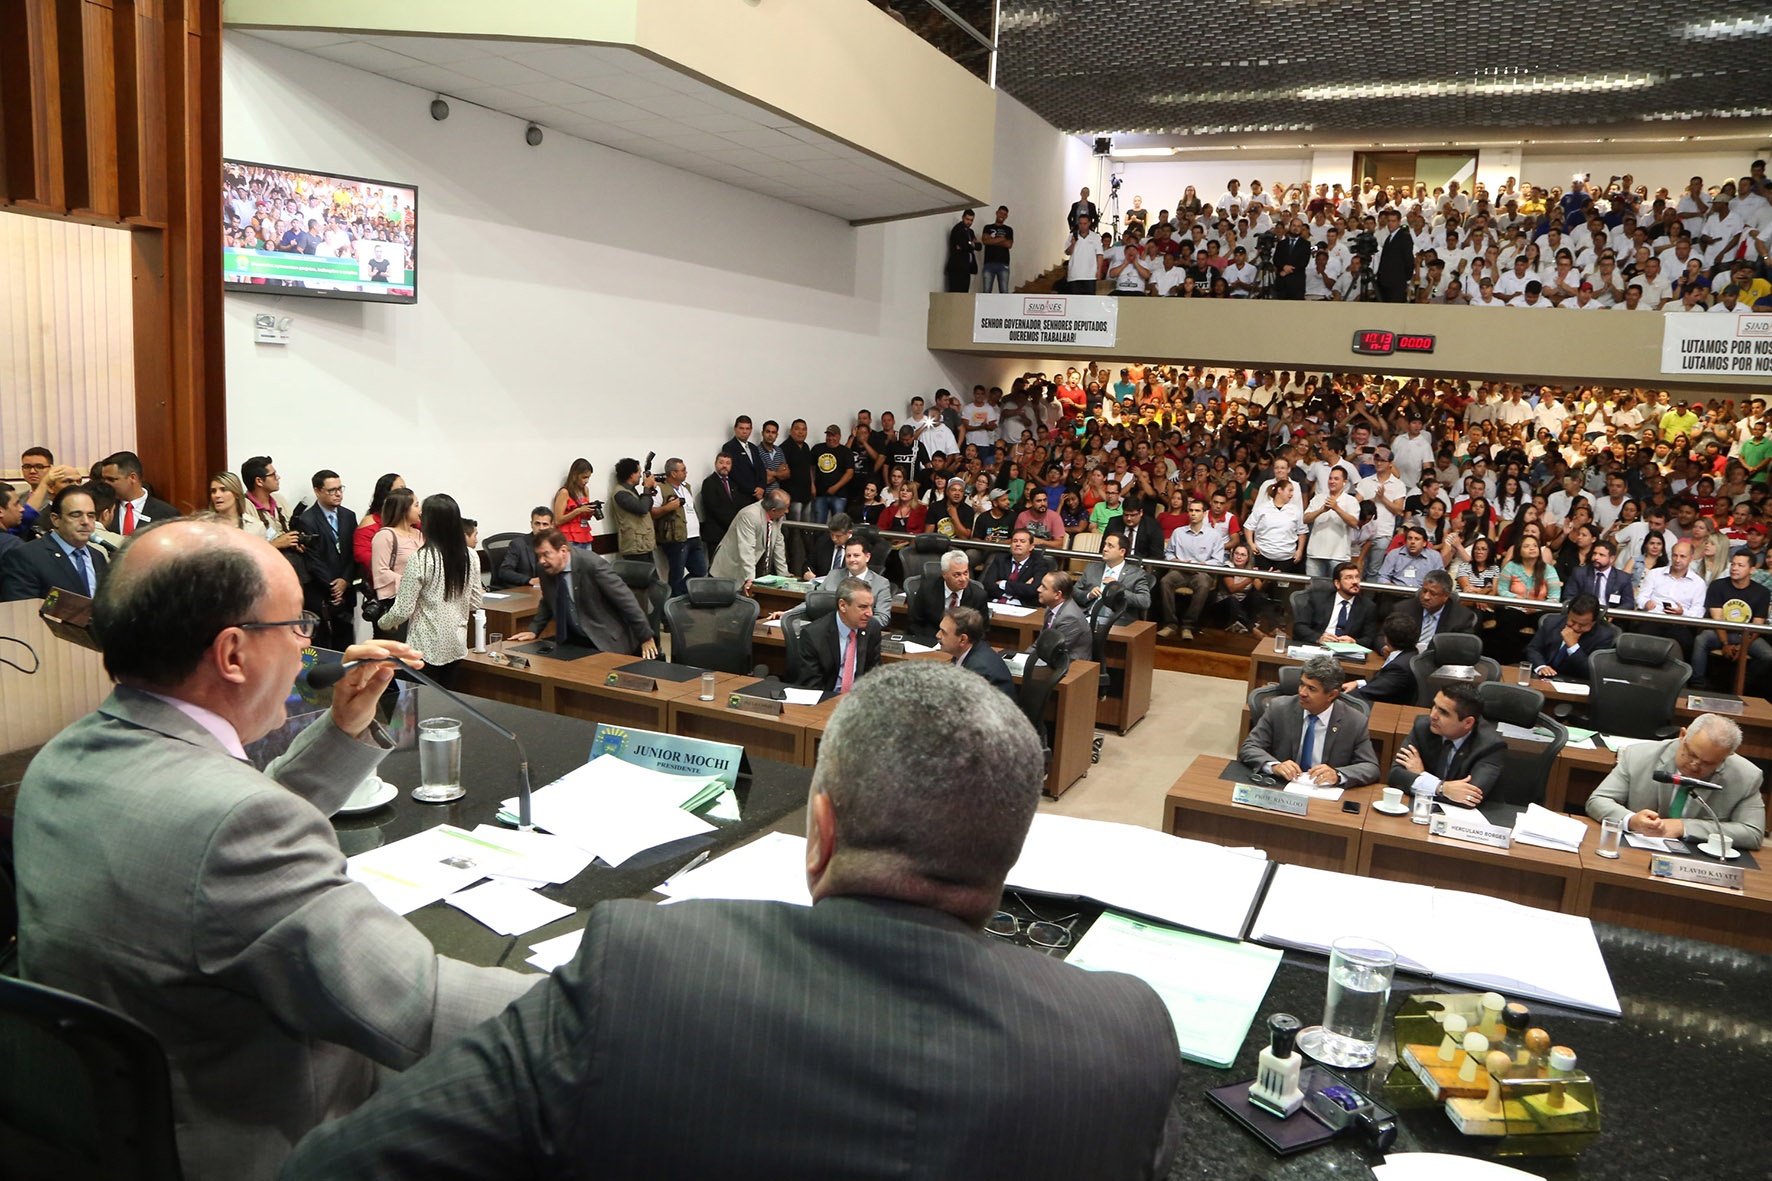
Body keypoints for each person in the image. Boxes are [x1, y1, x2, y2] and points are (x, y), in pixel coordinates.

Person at [281, 659, 1182, 1180]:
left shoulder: (643, 969)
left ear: (820, 830)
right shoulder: (1123, 1038)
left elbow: (349, 1164)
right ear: (1009, 853)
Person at [14, 519, 533, 1179]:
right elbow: (417, 1004)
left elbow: (216, 832)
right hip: (281, 1145)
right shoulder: (234, 823)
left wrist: (342, 727)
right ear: (232, 653)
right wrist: (613, 1002)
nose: (307, 646)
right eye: (297, 625)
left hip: (119, 1129)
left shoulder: (63, 758)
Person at [1586, 714, 1765, 850]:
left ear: (1727, 756)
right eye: (1691, 754)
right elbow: (1598, 800)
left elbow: (1753, 833)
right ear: (1682, 735)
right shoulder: (1639, 755)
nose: (1695, 766)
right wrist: (1631, 820)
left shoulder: (1747, 776)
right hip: (1637, 850)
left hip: (1697, 860)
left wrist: (1683, 827)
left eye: (1708, 763)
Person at [377, 493, 482, 685]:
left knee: (422, 700)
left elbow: (403, 609)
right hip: (456, 644)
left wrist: (383, 623)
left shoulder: (421, 558)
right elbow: (475, 602)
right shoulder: (471, 556)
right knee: (447, 697)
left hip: (425, 648)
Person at [509, 528, 659, 658]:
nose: (541, 561)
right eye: (539, 555)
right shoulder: (545, 569)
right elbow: (548, 600)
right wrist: (534, 630)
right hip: (572, 641)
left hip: (604, 640)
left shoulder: (592, 564)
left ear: (563, 551)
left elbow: (626, 601)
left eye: (546, 554)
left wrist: (645, 637)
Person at [1239, 654, 1379, 785]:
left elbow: (1370, 767)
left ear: (1331, 695)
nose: (1302, 692)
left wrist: (1337, 775)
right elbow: (1249, 747)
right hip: (1282, 786)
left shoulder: (1354, 721)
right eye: (1302, 684)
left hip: (1324, 791)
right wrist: (1275, 766)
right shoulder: (1279, 708)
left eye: (1311, 689)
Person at [1389, 683, 1508, 808]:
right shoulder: (1423, 727)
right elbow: (1395, 776)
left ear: (1468, 722)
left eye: (1443, 712)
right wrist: (1442, 788)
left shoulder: (1490, 746)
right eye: (1434, 706)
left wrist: (1424, 778)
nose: (1433, 716)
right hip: (1423, 809)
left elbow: (1469, 798)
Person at [0, 485, 107, 601]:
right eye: (76, 515)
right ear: (56, 519)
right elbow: (21, 607)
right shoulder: (26, 556)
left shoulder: (97, 557)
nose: (86, 522)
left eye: (91, 516)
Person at [292, 470, 359, 652]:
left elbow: (353, 552)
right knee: (322, 648)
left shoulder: (349, 516)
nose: (338, 494)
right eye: (331, 490)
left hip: (346, 591)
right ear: (317, 491)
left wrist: (345, 581)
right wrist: (333, 587)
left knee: (346, 646)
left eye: (340, 489)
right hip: (321, 592)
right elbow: (312, 559)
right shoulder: (307, 520)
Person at [1693, 551, 1772, 688]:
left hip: (1746, 635)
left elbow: (1757, 626)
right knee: (1701, 640)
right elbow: (1717, 620)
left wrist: (1743, 647)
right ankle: (1696, 683)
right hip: (1720, 632)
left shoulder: (1762, 592)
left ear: (1752, 570)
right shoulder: (1717, 585)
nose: (1734, 568)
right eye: (1733, 564)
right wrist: (1725, 643)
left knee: (1768, 655)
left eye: (1740, 565)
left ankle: (1743, 683)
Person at [797, 575, 882, 699]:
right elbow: (812, 687)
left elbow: (874, 674)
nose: (870, 613)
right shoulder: (814, 635)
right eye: (863, 607)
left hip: (859, 701)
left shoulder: (872, 627)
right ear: (842, 606)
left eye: (871, 606)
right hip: (825, 701)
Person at [1158, 497, 1222, 640]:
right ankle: (1170, 624)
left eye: (1197, 511)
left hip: (1201, 572)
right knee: (1165, 581)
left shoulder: (1214, 535)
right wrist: (1178, 562)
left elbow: (1218, 560)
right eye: (1191, 510)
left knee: (1203, 584)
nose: (1193, 514)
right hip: (1180, 570)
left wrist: (1202, 565)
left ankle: (1188, 625)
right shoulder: (1178, 532)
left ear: (1204, 514)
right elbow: (1168, 553)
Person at [1638, 538, 1709, 658]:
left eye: (1682, 556)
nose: (1677, 560)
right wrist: (1646, 602)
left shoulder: (1698, 583)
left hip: (1680, 623)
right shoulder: (1654, 574)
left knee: (1684, 643)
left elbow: (1698, 612)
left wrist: (1682, 613)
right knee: (1641, 638)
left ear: (1691, 558)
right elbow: (1641, 596)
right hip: (1654, 618)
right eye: (1675, 555)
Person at [368, 488, 422, 641]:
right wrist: (411, 583)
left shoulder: (420, 534)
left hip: (420, 605)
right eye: (416, 505)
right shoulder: (385, 535)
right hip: (396, 603)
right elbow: (380, 571)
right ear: (403, 509)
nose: (420, 510)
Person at [709, 489, 791, 588]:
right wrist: (750, 578)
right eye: (786, 508)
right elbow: (747, 549)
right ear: (773, 510)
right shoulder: (749, 515)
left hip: (753, 567)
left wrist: (783, 575)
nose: (787, 511)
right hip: (730, 569)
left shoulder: (777, 515)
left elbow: (778, 544)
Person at [1525, 593, 1616, 682]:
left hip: (1574, 682)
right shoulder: (1551, 622)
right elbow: (1533, 648)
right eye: (1572, 621)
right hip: (1542, 678)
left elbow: (1592, 672)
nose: (1576, 627)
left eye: (1582, 625)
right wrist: (1541, 666)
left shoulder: (1604, 636)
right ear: (1568, 615)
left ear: (1593, 622)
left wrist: (1573, 646)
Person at [1292, 562, 1380, 648]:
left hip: (1347, 650)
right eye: (1349, 578)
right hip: (1319, 646)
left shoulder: (1367, 606)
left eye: (1357, 577)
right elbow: (1300, 626)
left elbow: (1369, 638)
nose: (1355, 581)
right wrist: (1319, 638)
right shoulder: (1318, 599)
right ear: (1337, 583)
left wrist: (1354, 642)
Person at [908, 548, 990, 640]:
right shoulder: (927, 590)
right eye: (957, 575)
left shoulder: (978, 596)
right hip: (930, 641)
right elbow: (914, 624)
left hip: (961, 644)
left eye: (966, 573)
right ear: (944, 574)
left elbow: (982, 632)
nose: (963, 579)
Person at [1385, 570, 1477, 650]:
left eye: (1433, 593)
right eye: (1424, 591)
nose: (1426, 597)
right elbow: (1383, 636)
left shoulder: (1462, 617)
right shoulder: (1403, 609)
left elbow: (1464, 648)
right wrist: (1385, 648)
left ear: (1446, 596)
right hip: (1405, 658)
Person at [816, 536, 893, 630]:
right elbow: (813, 602)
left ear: (867, 557)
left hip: (861, 632)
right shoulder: (833, 575)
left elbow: (882, 618)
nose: (852, 559)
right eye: (848, 556)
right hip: (827, 629)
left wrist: (850, 624)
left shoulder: (881, 583)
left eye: (856, 555)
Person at [1073, 533, 1151, 625]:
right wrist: (1089, 595)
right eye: (1105, 545)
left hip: (1118, 622)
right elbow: (1074, 592)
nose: (1105, 549)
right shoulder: (1092, 568)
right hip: (1088, 618)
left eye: (1110, 546)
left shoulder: (1136, 574)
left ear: (1122, 552)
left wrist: (1119, 590)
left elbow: (1144, 601)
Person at [657, 458, 708, 598]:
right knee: (676, 574)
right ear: (673, 473)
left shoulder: (686, 487)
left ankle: (676, 595)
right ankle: (671, 603)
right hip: (677, 538)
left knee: (700, 571)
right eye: (683, 470)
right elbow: (653, 512)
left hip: (694, 536)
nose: (686, 472)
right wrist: (668, 507)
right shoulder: (660, 488)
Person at [99, 450, 181, 535]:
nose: (106, 484)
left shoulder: (167, 513)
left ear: (132, 478)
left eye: (111, 479)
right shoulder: (103, 509)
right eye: (104, 479)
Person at [937, 605, 1013, 696]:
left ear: (962, 639)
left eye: (943, 632)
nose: (938, 635)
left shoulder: (979, 671)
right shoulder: (966, 651)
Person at [1353, 613, 1421, 704]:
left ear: (1387, 639)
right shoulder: (1412, 653)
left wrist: (1338, 694)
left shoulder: (1400, 668)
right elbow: (1382, 681)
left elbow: (1368, 693)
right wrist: (1358, 683)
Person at [611, 457, 668, 562]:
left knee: (651, 573)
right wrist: (646, 487)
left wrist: (650, 490)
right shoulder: (621, 493)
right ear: (631, 474)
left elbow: (647, 506)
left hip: (643, 544)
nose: (641, 476)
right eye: (638, 472)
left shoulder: (631, 491)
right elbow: (642, 508)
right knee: (642, 573)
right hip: (635, 546)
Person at [981, 528, 1052, 606]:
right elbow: (988, 584)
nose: (1018, 544)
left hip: (1022, 605)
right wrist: (1021, 588)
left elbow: (1034, 590)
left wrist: (1003, 584)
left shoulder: (1039, 564)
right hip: (997, 601)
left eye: (1022, 541)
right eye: (1015, 541)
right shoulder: (1000, 559)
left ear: (1031, 547)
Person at [1562, 538, 1635, 610]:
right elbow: (1569, 597)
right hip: (1583, 612)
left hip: (1611, 614)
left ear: (1612, 559)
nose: (1596, 557)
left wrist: (1613, 613)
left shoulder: (1622, 578)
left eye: (1601, 555)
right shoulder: (1579, 573)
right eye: (1594, 553)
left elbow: (1629, 603)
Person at [353, 474, 405, 567]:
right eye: (400, 490)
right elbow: (363, 555)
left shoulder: (411, 521)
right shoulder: (370, 522)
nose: (405, 495)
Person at [494, 507, 553, 588]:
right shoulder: (518, 544)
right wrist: (529, 580)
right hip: (524, 588)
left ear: (551, 526)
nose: (541, 528)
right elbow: (504, 572)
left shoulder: (555, 545)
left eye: (545, 524)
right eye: (537, 523)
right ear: (531, 524)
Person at [1036, 570, 1090, 657]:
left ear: (1057, 594)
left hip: (1070, 662)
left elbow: (1055, 650)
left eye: (1044, 587)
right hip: (1051, 656)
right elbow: (1039, 643)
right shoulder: (1050, 608)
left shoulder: (1070, 618)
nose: (1038, 589)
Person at [698, 452, 743, 556]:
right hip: (716, 533)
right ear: (715, 464)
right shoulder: (709, 482)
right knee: (716, 563)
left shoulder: (733, 483)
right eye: (721, 462)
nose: (724, 466)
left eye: (728, 463)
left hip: (731, 533)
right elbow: (714, 508)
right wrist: (733, 524)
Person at [551, 458, 600, 550]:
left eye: (588, 477)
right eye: (584, 477)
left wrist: (591, 511)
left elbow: (584, 516)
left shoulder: (585, 490)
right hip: (569, 538)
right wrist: (578, 511)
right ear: (575, 475)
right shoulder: (564, 492)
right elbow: (557, 520)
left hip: (585, 535)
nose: (586, 481)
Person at [721, 415, 767, 503]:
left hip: (759, 494)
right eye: (741, 428)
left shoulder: (754, 448)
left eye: (747, 429)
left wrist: (761, 487)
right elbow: (734, 473)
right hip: (742, 495)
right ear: (735, 429)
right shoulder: (729, 447)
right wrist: (754, 490)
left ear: (751, 430)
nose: (744, 431)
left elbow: (761, 469)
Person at [979, 206, 1014, 293]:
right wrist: (1003, 239)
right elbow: (985, 241)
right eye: (1001, 213)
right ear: (997, 213)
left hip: (1003, 264)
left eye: (1004, 214)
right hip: (989, 263)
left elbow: (1009, 244)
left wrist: (992, 240)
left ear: (1006, 216)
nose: (1002, 216)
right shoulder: (987, 227)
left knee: (1004, 291)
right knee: (986, 291)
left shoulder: (1009, 230)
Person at [944, 208, 980, 292]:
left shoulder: (970, 232)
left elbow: (979, 246)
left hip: (967, 268)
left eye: (971, 220)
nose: (969, 222)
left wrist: (970, 244)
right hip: (957, 267)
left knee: (964, 293)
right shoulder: (958, 229)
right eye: (967, 219)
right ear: (963, 217)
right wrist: (971, 244)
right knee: (956, 292)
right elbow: (964, 245)